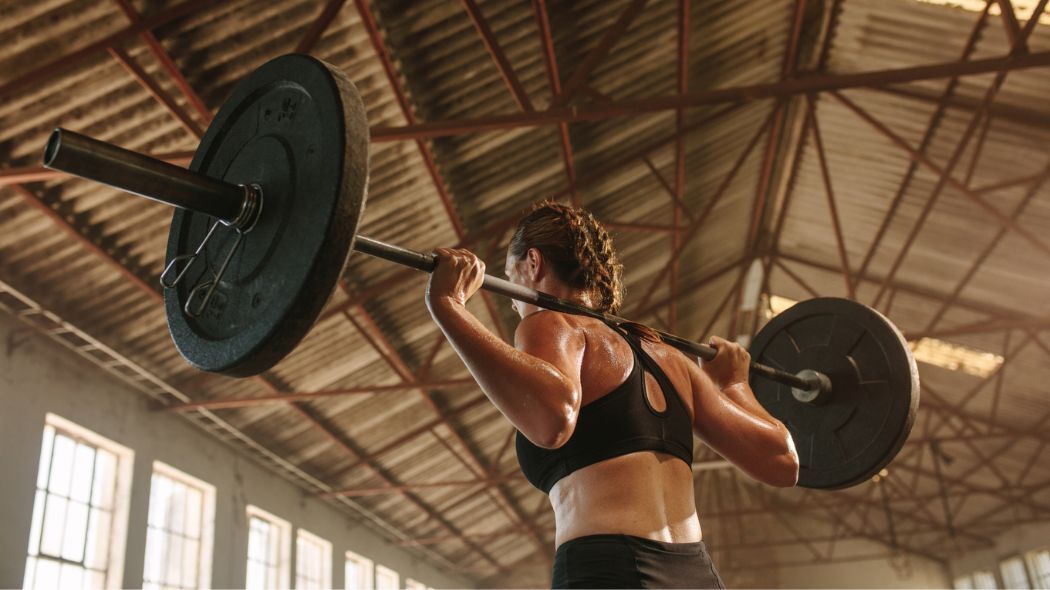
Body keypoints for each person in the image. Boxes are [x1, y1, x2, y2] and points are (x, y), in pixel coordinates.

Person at [425, 201, 799, 589]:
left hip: (612, 569)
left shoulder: (550, 323)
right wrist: (735, 384)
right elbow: (782, 460)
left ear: (533, 263)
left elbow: (552, 418)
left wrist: (449, 306)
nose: (512, 298)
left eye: (510, 275)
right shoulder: (671, 359)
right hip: (696, 574)